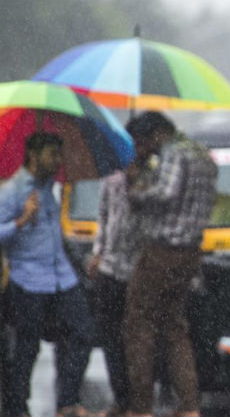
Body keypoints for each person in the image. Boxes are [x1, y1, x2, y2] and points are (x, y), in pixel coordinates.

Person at [122, 112, 217, 417]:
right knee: (175, 327)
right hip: (190, 252)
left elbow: (166, 192)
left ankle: (141, 407)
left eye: (140, 141)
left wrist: (137, 189)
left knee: (139, 326)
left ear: (155, 134)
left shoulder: (174, 152)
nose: (141, 148)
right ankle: (189, 406)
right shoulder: (202, 154)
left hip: (163, 250)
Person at [0, 132, 96, 417]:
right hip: (28, 280)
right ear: (33, 155)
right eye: (52, 154)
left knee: (83, 332)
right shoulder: (12, 191)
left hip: (61, 277)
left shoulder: (48, 189)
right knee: (27, 348)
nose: (57, 161)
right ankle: (18, 406)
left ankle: (67, 401)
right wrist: (21, 221)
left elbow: (56, 234)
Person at [85, 155, 145, 417]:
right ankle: (121, 400)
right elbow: (103, 216)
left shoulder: (152, 184)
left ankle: (140, 401)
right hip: (110, 269)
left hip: (139, 272)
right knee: (111, 338)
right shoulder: (111, 181)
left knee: (139, 338)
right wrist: (97, 252)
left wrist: (137, 187)